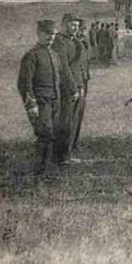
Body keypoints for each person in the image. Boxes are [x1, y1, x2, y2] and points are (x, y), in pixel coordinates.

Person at [17, 20, 79, 176]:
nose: (50, 37)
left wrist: (73, 90)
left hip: (55, 100)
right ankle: (39, 171)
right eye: (46, 34)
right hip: (41, 101)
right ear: (38, 34)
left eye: (52, 34)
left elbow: (64, 74)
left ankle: (49, 167)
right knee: (45, 133)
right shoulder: (32, 56)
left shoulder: (54, 54)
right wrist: (31, 104)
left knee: (55, 132)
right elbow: (24, 83)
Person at [52, 13, 86, 165]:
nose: (75, 28)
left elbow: (81, 65)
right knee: (66, 120)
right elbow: (64, 68)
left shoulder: (76, 41)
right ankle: (62, 155)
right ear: (64, 24)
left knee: (75, 119)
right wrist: (73, 88)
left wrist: (82, 85)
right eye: (72, 25)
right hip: (67, 87)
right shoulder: (59, 42)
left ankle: (70, 148)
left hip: (79, 85)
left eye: (77, 26)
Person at [70, 18, 91, 153]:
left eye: (83, 30)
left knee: (79, 113)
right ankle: (69, 144)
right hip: (74, 83)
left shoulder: (83, 42)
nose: (82, 32)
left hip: (83, 80)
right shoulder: (72, 44)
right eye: (80, 30)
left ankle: (74, 143)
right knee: (71, 114)